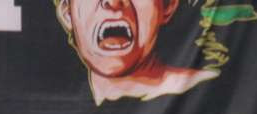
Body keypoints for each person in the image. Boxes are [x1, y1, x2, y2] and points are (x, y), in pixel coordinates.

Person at [54, 0, 219, 105]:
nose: (113, 3)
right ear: (67, 13)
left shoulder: (209, 94)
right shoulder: (59, 111)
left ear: (167, 6)